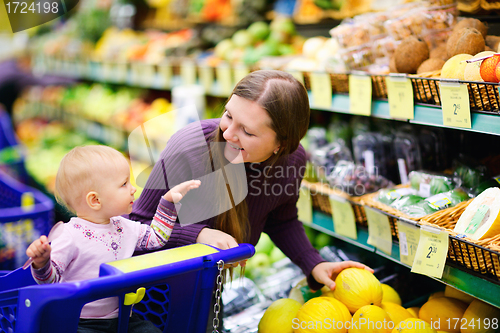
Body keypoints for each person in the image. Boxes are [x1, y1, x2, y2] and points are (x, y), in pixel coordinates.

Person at [128, 70, 372, 328]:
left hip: (208, 288)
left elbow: (281, 219)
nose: (228, 133)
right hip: (151, 294)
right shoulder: (191, 147)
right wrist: (197, 236)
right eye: (228, 115)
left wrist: (313, 263)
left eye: (247, 131)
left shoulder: (292, 161)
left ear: (280, 143)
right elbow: (137, 224)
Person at [25, 145, 201, 333]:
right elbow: (49, 281)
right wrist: (42, 262)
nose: (133, 189)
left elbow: (156, 237)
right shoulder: (69, 236)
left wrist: (168, 202)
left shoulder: (124, 225)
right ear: (95, 200)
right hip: (80, 322)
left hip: (124, 317)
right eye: (124, 184)